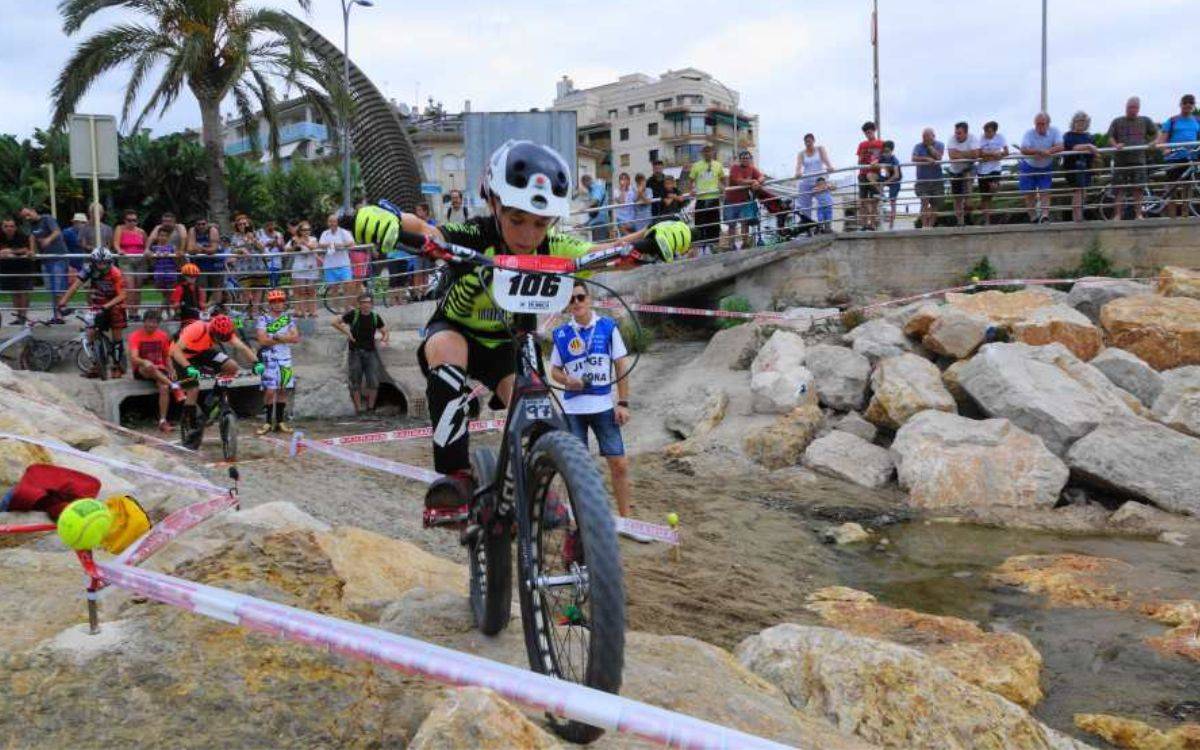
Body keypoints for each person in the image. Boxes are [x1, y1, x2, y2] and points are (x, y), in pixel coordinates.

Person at [345, 139, 688, 517]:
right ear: (494, 205)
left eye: (540, 223)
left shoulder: (554, 246)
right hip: (458, 331)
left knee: (538, 417)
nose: (528, 235)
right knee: (446, 350)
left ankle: (542, 492)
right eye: (517, 220)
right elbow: (430, 232)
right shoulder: (476, 234)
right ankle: (454, 478)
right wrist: (385, 220)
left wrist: (658, 234)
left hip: (510, 343)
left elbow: (610, 251)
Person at [548, 280, 645, 539]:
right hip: (572, 409)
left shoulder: (607, 327)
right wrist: (568, 380)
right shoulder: (561, 334)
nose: (576, 303)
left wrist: (623, 403)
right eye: (571, 300)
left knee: (619, 464)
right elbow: (554, 371)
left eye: (580, 297)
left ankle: (626, 523)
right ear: (567, 306)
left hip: (603, 406)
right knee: (576, 468)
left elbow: (621, 366)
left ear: (589, 299)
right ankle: (579, 524)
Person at [170, 314, 263, 427]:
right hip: (181, 356)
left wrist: (256, 363)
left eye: (223, 338)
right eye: (218, 337)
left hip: (201, 351)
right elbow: (176, 352)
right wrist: (188, 367)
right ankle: (190, 424)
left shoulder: (225, 332)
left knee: (232, 367)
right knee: (193, 389)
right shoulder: (197, 329)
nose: (220, 340)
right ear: (213, 330)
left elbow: (242, 347)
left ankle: (213, 398)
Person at [58, 248, 127, 378]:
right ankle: (97, 365)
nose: (102, 266)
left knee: (116, 337)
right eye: (98, 263)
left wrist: (107, 306)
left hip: (115, 305)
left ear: (109, 262)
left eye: (105, 263)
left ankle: (117, 366)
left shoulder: (115, 273)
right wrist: (63, 301)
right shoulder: (88, 270)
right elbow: (75, 286)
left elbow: (123, 294)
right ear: (93, 262)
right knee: (90, 333)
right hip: (98, 304)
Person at [126, 308, 183, 432]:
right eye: (149, 321)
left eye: (155, 322)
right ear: (144, 322)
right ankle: (175, 387)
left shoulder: (162, 336)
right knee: (149, 366)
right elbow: (134, 358)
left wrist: (172, 369)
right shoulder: (135, 336)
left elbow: (167, 356)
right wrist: (144, 361)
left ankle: (162, 420)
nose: (152, 325)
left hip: (160, 369)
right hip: (142, 369)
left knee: (163, 387)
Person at [331, 292, 388, 414]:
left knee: (373, 381)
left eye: (368, 302)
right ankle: (358, 409)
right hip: (355, 352)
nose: (365, 305)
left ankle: (370, 408)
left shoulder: (375, 317)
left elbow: (385, 331)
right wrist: (347, 332)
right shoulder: (353, 314)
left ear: (372, 304)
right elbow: (334, 322)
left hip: (371, 352)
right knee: (355, 381)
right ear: (359, 304)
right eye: (363, 303)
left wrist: (384, 340)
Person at [1106, 96, 1159, 221]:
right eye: (1129, 107)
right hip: (1121, 160)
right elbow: (1110, 137)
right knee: (1119, 189)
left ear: (1138, 108)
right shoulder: (1117, 121)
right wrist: (1115, 145)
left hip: (1139, 159)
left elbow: (1158, 133)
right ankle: (1117, 215)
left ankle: (1138, 214)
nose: (1131, 110)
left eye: (1134, 107)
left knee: (1138, 188)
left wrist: (1154, 142)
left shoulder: (1145, 121)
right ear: (1126, 107)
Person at [255, 288, 300, 434]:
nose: (278, 304)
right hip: (269, 359)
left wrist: (277, 337)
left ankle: (280, 422)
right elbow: (262, 340)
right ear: (270, 304)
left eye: (280, 301)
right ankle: (268, 422)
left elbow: (296, 338)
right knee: (270, 391)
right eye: (275, 302)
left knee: (282, 389)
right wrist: (284, 337)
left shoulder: (288, 318)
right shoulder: (263, 319)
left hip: (285, 358)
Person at [20, 206, 68, 323]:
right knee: (51, 288)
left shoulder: (47, 219)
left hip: (57, 257)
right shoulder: (32, 226)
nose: (27, 218)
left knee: (57, 287)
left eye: (28, 214)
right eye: (24, 217)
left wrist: (48, 240)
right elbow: (32, 238)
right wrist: (32, 251)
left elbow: (57, 231)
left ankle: (59, 314)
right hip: (45, 260)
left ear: (33, 211)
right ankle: (58, 313)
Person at [1156, 94, 1199, 219]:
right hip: (1173, 159)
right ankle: (1172, 218)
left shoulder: (1197, 120)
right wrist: (1165, 149)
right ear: (1180, 104)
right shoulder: (1173, 120)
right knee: (1172, 189)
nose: (1188, 105)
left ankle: (1185, 216)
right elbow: (1161, 140)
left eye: (1191, 102)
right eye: (1185, 102)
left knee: (1188, 188)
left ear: (1193, 105)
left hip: (1190, 159)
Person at [1019, 112, 1064, 223]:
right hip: (1029, 166)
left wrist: (1048, 151)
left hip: (1045, 166)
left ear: (1048, 124)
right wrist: (1038, 151)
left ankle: (1045, 216)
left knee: (1045, 191)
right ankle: (1033, 217)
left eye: (1042, 124)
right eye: (1037, 124)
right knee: (1029, 193)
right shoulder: (1029, 133)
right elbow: (1023, 149)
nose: (1039, 126)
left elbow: (1061, 146)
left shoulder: (1055, 131)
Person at [1063, 111, 1101, 223]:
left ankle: (1079, 216)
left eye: (1083, 121)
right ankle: (1077, 218)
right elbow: (1073, 147)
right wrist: (1088, 146)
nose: (1081, 123)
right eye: (1078, 121)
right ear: (1074, 122)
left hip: (1087, 168)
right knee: (1078, 191)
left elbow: (1095, 151)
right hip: (1073, 167)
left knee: (1084, 192)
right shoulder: (1068, 135)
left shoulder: (1089, 136)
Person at [688, 144, 726, 253]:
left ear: (712, 152)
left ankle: (714, 247)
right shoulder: (696, 165)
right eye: (705, 151)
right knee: (700, 223)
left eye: (709, 151)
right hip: (701, 199)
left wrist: (723, 188)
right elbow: (690, 180)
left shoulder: (718, 165)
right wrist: (691, 190)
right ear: (702, 153)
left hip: (714, 198)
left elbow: (723, 178)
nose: (707, 153)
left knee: (714, 223)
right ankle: (700, 249)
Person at [795, 133, 835, 233]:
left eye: (810, 141)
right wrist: (797, 172)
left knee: (824, 202)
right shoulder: (801, 153)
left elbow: (826, 160)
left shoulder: (820, 149)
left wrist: (829, 166)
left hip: (819, 181)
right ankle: (807, 228)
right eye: (806, 141)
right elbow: (798, 165)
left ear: (813, 141)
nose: (808, 143)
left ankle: (826, 227)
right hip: (807, 180)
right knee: (805, 206)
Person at [112, 210, 146, 319]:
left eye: (134, 220)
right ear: (124, 221)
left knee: (138, 288)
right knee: (130, 287)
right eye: (129, 220)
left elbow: (146, 245)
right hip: (126, 260)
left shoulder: (141, 231)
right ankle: (130, 312)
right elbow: (116, 244)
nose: (132, 222)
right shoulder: (120, 229)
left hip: (140, 260)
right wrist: (120, 251)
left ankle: (136, 312)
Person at [0, 217, 34, 325]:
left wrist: (10, 251)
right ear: (2, 227)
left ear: (15, 227)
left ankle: (23, 316)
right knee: (14, 293)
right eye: (6, 226)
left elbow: (26, 250)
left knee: (23, 291)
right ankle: (19, 316)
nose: (9, 228)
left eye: (11, 226)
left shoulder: (21, 236)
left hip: (23, 268)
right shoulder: (1, 236)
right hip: (8, 269)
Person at [726, 150, 764, 247]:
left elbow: (762, 177)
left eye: (747, 158)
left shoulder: (752, 168)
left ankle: (745, 244)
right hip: (731, 200)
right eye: (743, 158)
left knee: (745, 223)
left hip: (744, 200)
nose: (745, 160)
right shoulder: (734, 167)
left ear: (750, 159)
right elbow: (739, 181)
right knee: (731, 224)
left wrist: (758, 182)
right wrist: (754, 181)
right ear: (739, 159)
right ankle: (731, 245)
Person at [319, 212, 354, 313]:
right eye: (330, 221)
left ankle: (348, 307)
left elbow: (351, 243)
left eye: (334, 221)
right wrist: (330, 245)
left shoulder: (344, 232)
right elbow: (320, 244)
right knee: (334, 288)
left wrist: (338, 245)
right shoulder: (325, 233)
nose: (332, 223)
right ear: (327, 223)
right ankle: (337, 308)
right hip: (330, 265)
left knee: (348, 285)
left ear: (337, 222)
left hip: (343, 264)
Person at [228, 213, 264, 312]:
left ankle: (255, 311)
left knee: (258, 289)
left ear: (249, 224)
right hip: (243, 267)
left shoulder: (256, 233)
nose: (243, 226)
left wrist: (254, 239)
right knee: (245, 291)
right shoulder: (235, 236)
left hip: (257, 266)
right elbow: (232, 250)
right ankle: (245, 312)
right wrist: (241, 250)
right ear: (237, 226)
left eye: (245, 224)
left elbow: (262, 249)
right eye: (240, 224)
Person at [976, 121, 1009, 225]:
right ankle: (986, 220)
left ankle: (985, 206)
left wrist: (1000, 155)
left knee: (994, 187)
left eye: (989, 131)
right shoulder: (981, 138)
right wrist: (992, 154)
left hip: (995, 168)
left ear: (995, 131)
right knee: (985, 197)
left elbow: (1006, 152)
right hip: (982, 170)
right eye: (985, 131)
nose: (987, 133)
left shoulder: (1000, 137)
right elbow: (979, 153)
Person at [911, 128, 945, 229]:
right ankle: (924, 225)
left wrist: (930, 147)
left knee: (935, 204)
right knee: (924, 201)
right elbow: (913, 158)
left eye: (927, 136)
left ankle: (930, 226)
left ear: (933, 136)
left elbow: (939, 157)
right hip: (922, 180)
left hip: (937, 180)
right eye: (923, 136)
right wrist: (925, 158)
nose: (924, 139)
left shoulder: (940, 144)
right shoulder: (918, 146)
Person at [186, 217, 224, 306]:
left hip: (216, 264)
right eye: (198, 224)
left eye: (203, 224)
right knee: (201, 288)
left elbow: (213, 250)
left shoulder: (213, 230)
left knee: (216, 288)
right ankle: (203, 309)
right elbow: (190, 250)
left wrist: (200, 248)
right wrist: (206, 249)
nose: (201, 226)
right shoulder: (192, 231)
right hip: (200, 265)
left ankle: (216, 309)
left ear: (207, 224)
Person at [946, 122, 978, 226]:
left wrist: (959, 154)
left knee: (968, 179)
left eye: (959, 133)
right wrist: (968, 154)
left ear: (966, 133)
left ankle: (968, 213)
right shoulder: (951, 139)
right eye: (956, 133)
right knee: (957, 198)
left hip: (968, 168)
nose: (957, 135)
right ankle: (960, 221)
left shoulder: (973, 138)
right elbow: (952, 156)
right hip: (955, 170)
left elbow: (976, 155)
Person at [855, 121, 884, 230]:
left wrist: (877, 161)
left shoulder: (881, 144)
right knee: (862, 201)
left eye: (870, 132)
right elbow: (859, 160)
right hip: (863, 174)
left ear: (874, 130)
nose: (868, 135)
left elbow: (885, 158)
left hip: (874, 174)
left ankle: (872, 224)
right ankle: (863, 225)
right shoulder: (862, 145)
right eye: (866, 133)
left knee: (874, 201)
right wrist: (863, 160)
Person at [287, 220, 320, 317]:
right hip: (299, 267)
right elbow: (286, 249)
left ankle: (312, 311)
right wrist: (295, 245)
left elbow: (313, 247)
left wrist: (303, 242)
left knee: (311, 290)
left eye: (308, 230)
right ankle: (299, 311)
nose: (306, 232)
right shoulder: (294, 239)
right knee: (298, 290)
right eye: (304, 230)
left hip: (311, 267)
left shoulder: (313, 239)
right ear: (300, 231)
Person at [145, 223, 182, 304]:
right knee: (165, 295)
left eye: (165, 236)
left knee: (170, 295)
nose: (163, 238)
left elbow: (177, 260)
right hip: (159, 275)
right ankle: (166, 312)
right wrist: (154, 256)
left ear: (168, 237)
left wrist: (172, 255)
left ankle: (163, 312)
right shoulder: (154, 248)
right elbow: (151, 262)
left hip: (170, 274)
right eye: (161, 235)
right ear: (158, 236)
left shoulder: (172, 247)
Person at [878, 142, 902, 230]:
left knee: (893, 202)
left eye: (887, 151)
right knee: (877, 181)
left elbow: (896, 175)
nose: (885, 154)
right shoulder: (882, 158)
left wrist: (885, 182)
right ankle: (882, 195)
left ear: (891, 151)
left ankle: (891, 225)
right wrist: (884, 168)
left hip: (895, 181)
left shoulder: (895, 160)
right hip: (887, 178)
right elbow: (877, 165)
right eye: (884, 151)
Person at [580, 174, 610, 242]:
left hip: (600, 223)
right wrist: (584, 224)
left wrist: (584, 207)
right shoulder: (592, 190)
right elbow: (594, 213)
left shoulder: (597, 188)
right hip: (596, 223)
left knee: (600, 247)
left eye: (584, 185)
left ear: (586, 182)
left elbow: (595, 201)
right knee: (598, 245)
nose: (585, 187)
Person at [257, 219, 285, 289]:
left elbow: (283, 250)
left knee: (275, 283)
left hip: (276, 263)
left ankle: (274, 297)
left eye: (271, 225)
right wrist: (267, 244)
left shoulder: (279, 234)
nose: (270, 227)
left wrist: (278, 244)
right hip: (264, 263)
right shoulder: (260, 234)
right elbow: (258, 248)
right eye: (268, 225)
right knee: (263, 284)